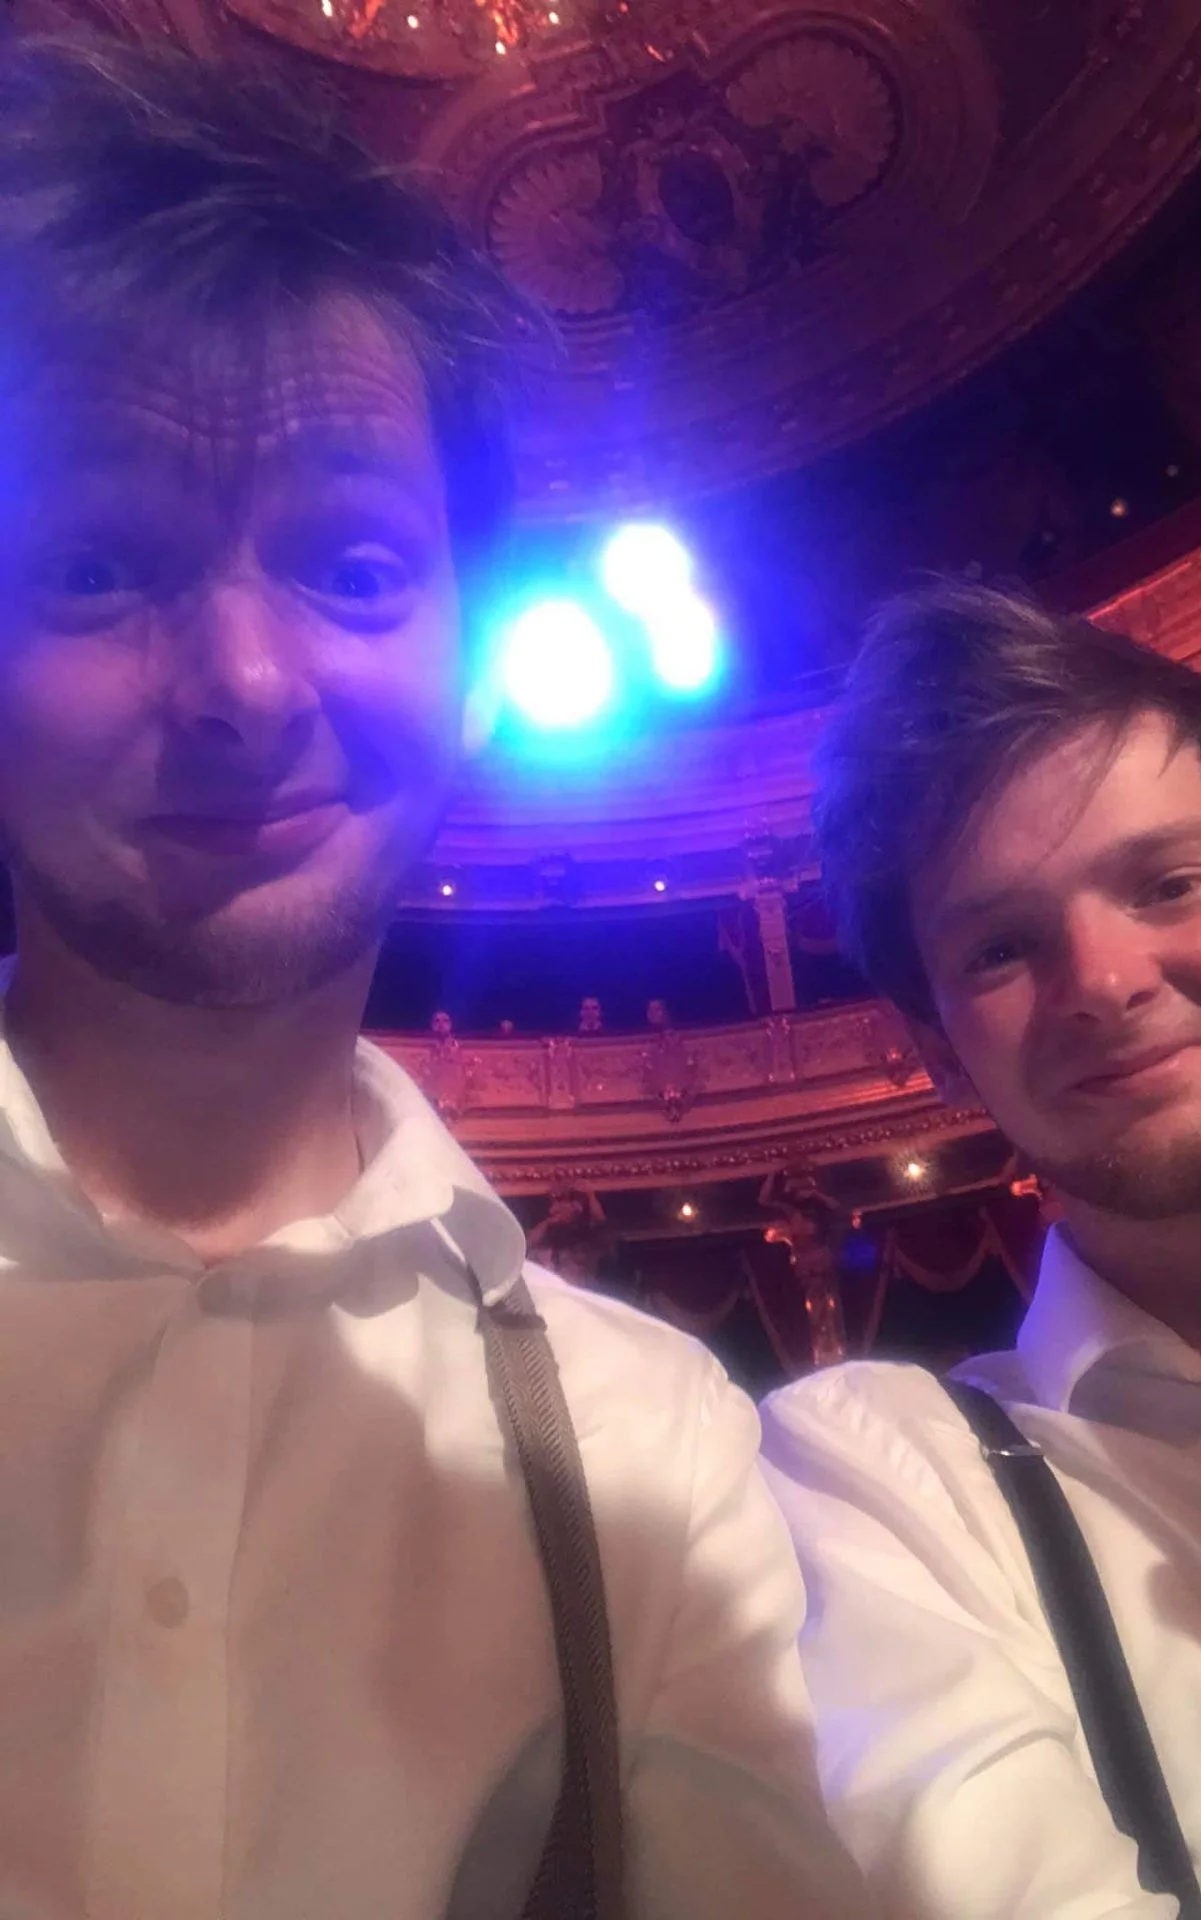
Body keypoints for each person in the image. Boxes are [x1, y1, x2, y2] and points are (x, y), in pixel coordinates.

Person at [0, 38, 871, 1920]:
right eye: (96, 568)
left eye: (356, 564)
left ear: (475, 654)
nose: (242, 680)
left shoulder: (650, 1451)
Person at [761, 581, 1201, 1918]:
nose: (1103, 980)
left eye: (1167, 883)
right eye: (1004, 947)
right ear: (938, 1055)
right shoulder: (887, 1486)